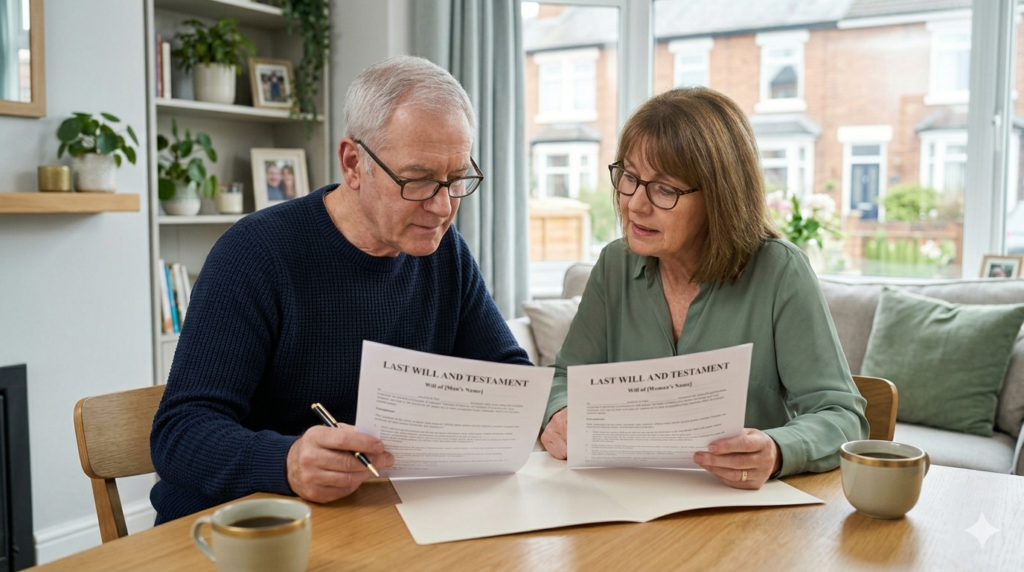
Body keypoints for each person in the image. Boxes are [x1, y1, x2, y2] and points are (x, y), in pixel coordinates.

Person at [150, 55, 530, 523]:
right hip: (244, 529)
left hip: (382, 514)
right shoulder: (255, 254)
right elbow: (178, 433)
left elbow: (508, 376)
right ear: (353, 163)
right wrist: (286, 461)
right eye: (418, 181)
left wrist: (546, 412)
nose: (442, 206)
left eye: (457, 180)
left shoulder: (445, 253)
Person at [539, 87, 868, 489]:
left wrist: (777, 449)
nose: (635, 205)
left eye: (664, 189)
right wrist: (558, 412)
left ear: (719, 195)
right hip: (627, 503)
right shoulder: (614, 265)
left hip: (744, 515)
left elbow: (842, 416)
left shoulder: (780, 272)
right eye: (629, 177)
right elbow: (565, 379)